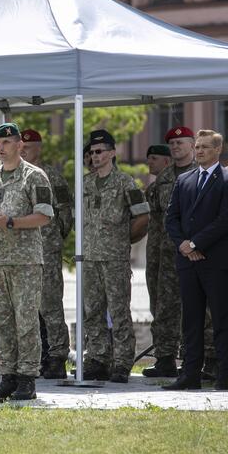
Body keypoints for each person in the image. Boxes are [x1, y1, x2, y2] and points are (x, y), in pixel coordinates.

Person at [0, 122, 54, 401]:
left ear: (20, 145)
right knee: (1, 321)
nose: (1, 148)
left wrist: (10, 222)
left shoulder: (35, 176)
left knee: (26, 320)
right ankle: (7, 376)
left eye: (6, 143)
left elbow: (44, 216)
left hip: (25, 261)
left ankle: (27, 378)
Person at [164, 129, 228, 391]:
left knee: (221, 319)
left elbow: (225, 220)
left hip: (215, 261)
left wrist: (196, 243)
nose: (199, 151)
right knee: (191, 320)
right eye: (197, 147)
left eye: (205, 147)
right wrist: (184, 246)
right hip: (188, 261)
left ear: (217, 150)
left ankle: (223, 375)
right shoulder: (184, 180)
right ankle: (190, 374)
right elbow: (171, 218)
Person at [82, 129, 150, 383]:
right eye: (91, 153)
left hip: (114, 259)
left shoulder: (125, 182)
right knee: (93, 311)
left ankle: (122, 361)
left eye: (99, 152)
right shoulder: (85, 184)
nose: (95, 156)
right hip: (89, 258)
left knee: (119, 311)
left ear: (112, 153)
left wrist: (124, 240)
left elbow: (143, 216)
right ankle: (98, 358)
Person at [142, 129, 198, 378]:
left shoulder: (201, 174)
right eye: (172, 143)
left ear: (192, 145)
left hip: (195, 252)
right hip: (166, 254)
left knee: (197, 307)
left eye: (180, 143)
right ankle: (165, 358)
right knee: (165, 306)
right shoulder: (162, 179)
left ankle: (198, 358)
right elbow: (155, 220)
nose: (175, 147)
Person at [20, 129, 73, 379]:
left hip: (46, 249)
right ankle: (31, 355)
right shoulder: (14, 177)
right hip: (19, 251)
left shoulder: (52, 176)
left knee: (50, 305)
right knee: (25, 306)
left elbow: (65, 213)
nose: (23, 151)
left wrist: (53, 238)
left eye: (28, 147)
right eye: (21, 146)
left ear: (39, 148)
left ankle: (57, 355)